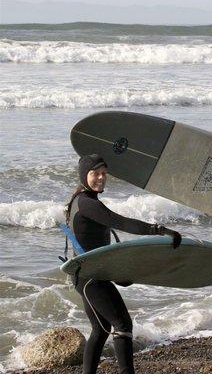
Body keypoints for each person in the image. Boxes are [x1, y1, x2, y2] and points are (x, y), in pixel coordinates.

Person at [65, 154, 181, 374]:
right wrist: (158, 230)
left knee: (100, 330)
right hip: (91, 277)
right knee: (123, 325)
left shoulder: (81, 200)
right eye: (95, 173)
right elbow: (120, 221)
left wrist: (120, 269)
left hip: (86, 275)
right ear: (84, 175)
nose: (101, 178)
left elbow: (96, 244)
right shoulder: (87, 203)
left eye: (104, 174)